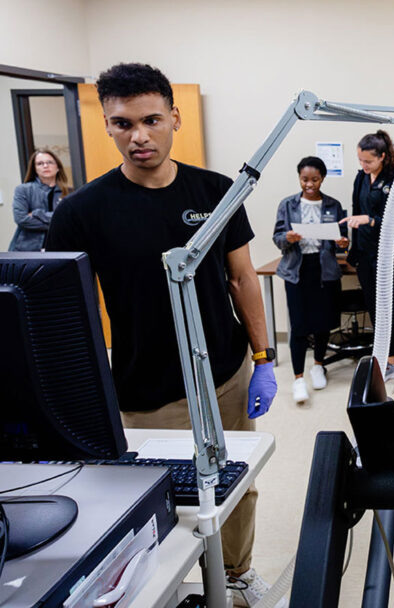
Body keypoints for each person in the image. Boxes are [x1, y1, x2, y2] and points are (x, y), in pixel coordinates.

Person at [45, 62, 276, 606]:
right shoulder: (81, 211)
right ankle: (181, 586)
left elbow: (242, 277)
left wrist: (263, 358)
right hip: (147, 387)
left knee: (237, 486)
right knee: (169, 497)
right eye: (122, 124)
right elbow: (60, 310)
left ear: (174, 117)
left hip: (225, 371)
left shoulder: (217, 191)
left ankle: (238, 575)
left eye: (150, 120)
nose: (138, 136)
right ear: (106, 125)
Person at [343, 129, 394, 394]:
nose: (363, 166)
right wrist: (350, 245)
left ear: (383, 157)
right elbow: (357, 211)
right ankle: (390, 363)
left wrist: (370, 219)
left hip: (391, 257)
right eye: (360, 160)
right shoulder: (361, 178)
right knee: (377, 312)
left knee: (392, 314)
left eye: (368, 161)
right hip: (366, 255)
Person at [272, 155, 348, 403]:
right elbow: (278, 238)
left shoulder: (333, 205)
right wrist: (288, 239)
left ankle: (318, 366)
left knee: (323, 322)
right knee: (299, 326)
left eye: (315, 179)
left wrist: (342, 242)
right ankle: (298, 379)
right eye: (305, 179)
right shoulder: (288, 204)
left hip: (324, 270)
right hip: (297, 270)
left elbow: (341, 239)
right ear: (299, 178)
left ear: (322, 178)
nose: (310, 184)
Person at [9, 149, 71, 251]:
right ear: (35, 169)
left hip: (60, 249)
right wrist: (57, 223)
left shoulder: (69, 192)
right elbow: (21, 219)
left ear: (58, 167)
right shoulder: (23, 190)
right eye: (40, 163)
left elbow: (70, 222)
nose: (45, 166)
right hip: (27, 250)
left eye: (49, 162)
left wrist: (37, 213)